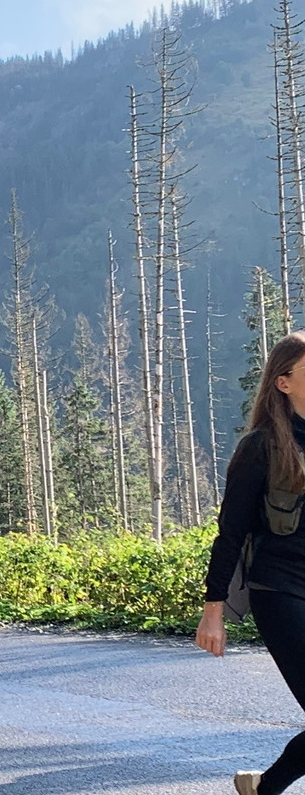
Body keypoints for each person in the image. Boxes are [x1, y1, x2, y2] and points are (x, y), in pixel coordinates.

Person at [196, 331, 305, 795]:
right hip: (280, 592)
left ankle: (262, 788)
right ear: (283, 382)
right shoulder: (261, 447)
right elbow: (231, 532)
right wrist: (213, 609)